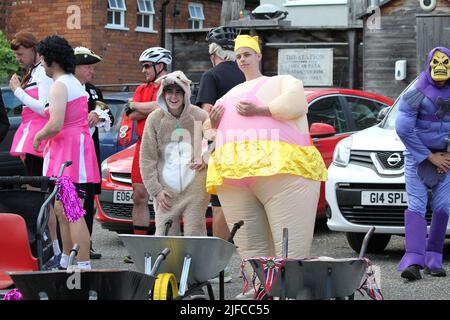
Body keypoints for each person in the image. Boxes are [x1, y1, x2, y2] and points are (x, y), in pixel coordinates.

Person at [206, 34, 327, 298]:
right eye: (238, 56)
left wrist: (262, 111)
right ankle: (258, 286)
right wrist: (213, 125)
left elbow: (296, 103)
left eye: (247, 54)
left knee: (288, 243)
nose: (242, 60)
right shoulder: (229, 95)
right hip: (235, 176)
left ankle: (290, 287)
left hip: (283, 171)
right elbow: (207, 132)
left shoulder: (283, 81)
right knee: (249, 242)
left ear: (259, 55)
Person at [33, 35, 100, 270]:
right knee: (64, 209)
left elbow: (55, 124)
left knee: (72, 211)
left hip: (67, 154)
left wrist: (38, 136)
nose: (41, 65)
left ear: (52, 61)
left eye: (43, 60)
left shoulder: (60, 85)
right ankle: (67, 261)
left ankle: (81, 265)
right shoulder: (73, 83)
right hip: (74, 151)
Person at [195, 26, 245, 283]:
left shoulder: (211, 76)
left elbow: (207, 117)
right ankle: (256, 269)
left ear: (214, 52)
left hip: (224, 149)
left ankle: (218, 269)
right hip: (253, 148)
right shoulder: (251, 74)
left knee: (220, 207)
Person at [395, 47, 450, 281]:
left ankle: (434, 257)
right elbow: (403, 128)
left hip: (446, 160)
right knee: (416, 206)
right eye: (436, 61)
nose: (441, 66)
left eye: (445, 61)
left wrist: (446, 156)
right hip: (419, 159)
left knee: (443, 206)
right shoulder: (416, 91)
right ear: (428, 64)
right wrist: (430, 157)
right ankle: (414, 260)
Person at [8, 31, 61, 268]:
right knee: (38, 196)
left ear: (33, 50)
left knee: (41, 197)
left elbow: (45, 109)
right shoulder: (35, 71)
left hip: (39, 141)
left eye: (20, 53)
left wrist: (17, 91)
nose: (18, 58)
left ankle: (52, 248)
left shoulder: (42, 72)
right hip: (32, 141)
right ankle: (49, 247)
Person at [140, 70, 210, 236]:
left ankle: (197, 263)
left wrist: (205, 158)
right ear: (162, 94)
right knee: (165, 235)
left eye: (179, 92)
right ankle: (167, 263)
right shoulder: (154, 118)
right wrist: (155, 190)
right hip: (166, 189)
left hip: (195, 187)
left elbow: (217, 142)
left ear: (186, 93)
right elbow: (147, 157)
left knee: (195, 233)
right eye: (169, 91)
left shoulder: (200, 115)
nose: (174, 96)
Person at [126, 47, 172, 237]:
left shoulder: (171, 84)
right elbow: (133, 114)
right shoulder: (141, 88)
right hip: (141, 145)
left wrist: (134, 105)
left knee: (166, 197)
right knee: (139, 195)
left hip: (163, 146)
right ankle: (140, 242)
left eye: (146, 66)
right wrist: (139, 108)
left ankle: (164, 241)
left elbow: (160, 106)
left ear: (160, 66)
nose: (143, 70)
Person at [74, 46, 114, 260]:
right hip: (71, 154)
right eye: (87, 66)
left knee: (88, 198)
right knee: (71, 200)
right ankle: (70, 246)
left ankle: (86, 244)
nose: (91, 71)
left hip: (90, 153)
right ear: (76, 67)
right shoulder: (65, 88)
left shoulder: (93, 90)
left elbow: (108, 114)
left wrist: (98, 115)